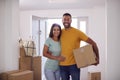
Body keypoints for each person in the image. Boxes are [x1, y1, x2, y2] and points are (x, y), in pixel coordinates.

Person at [59, 13, 99, 80]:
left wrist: (97, 57)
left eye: (68, 19)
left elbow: (93, 44)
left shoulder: (77, 32)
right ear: (62, 21)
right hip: (62, 66)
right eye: (64, 19)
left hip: (74, 65)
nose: (66, 21)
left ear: (71, 21)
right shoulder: (59, 32)